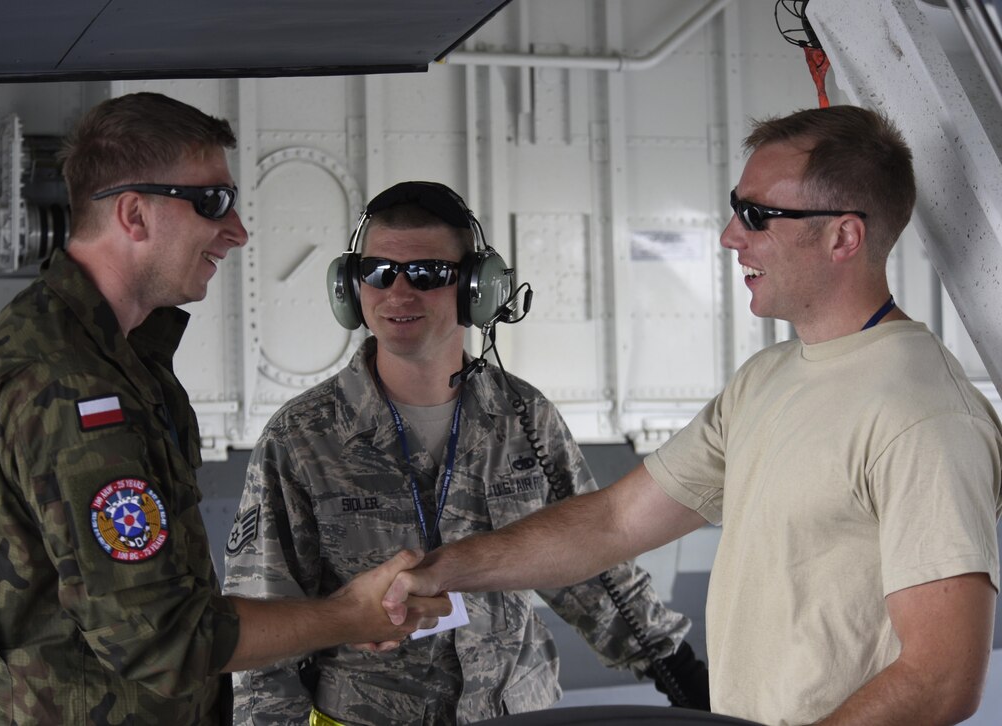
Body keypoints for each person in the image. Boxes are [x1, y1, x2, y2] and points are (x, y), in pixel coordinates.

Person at [382, 107, 1002, 726]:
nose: (732, 236)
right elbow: (616, 523)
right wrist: (442, 570)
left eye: (758, 215)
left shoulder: (925, 417)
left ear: (844, 237)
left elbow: (941, 677)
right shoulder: (768, 378)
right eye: (737, 207)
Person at [0, 92, 448, 726]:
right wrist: (346, 615)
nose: (238, 231)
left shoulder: (110, 352)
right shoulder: (75, 386)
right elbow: (163, 636)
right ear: (134, 214)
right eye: (212, 202)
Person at [223, 180, 710, 726]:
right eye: (378, 272)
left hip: (513, 712)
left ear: (476, 289)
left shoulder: (524, 418)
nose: (398, 293)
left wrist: (675, 666)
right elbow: (264, 621)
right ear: (351, 287)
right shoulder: (303, 437)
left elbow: (589, 564)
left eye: (428, 274)